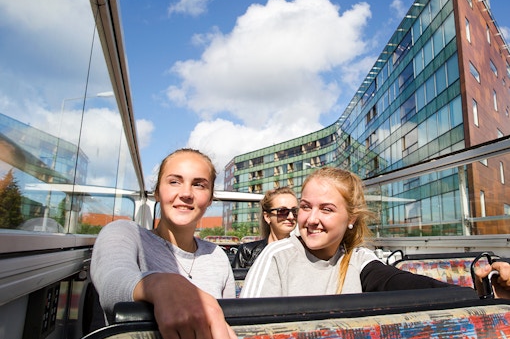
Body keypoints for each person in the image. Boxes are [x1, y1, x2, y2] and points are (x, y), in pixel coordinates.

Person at [241, 167, 510, 299]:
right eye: (305, 207)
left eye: (326, 209)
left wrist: (480, 292)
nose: (311, 219)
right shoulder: (278, 256)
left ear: (351, 218)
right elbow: (248, 324)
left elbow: (399, 282)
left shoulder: (358, 260)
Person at [91, 148, 237, 339]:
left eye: (199, 185)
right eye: (174, 182)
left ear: (210, 199)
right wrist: (160, 284)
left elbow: (229, 320)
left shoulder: (216, 255)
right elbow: (111, 281)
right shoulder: (125, 233)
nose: (186, 193)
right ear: (157, 192)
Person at [232, 187, 298, 268]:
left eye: (295, 211)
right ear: (267, 217)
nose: (291, 217)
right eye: (282, 211)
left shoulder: (303, 252)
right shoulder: (248, 252)